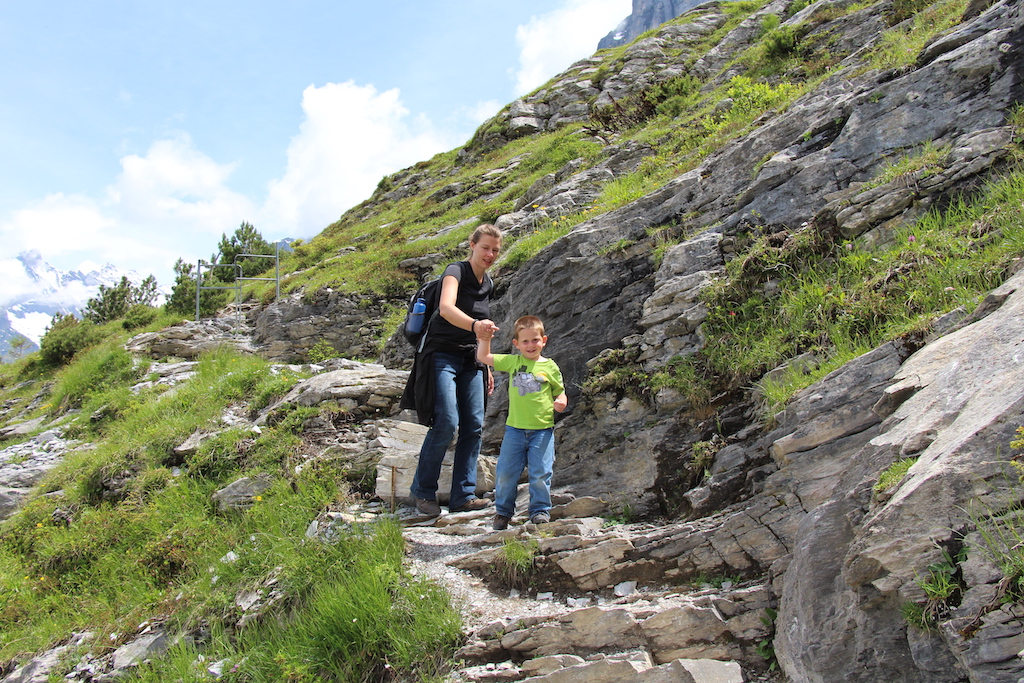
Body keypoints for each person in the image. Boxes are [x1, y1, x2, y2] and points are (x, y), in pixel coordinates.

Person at [406, 224, 502, 518]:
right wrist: (474, 325)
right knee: (446, 421)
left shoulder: (489, 284)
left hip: (470, 360)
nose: (490, 254)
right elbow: (447, 308)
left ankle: (463, 495)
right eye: (485, 247)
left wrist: (486, 365)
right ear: (471, 245)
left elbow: (482, 332)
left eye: (495, 250)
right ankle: (422, 492)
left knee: (473, 424)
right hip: (440, 355)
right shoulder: (455, 271)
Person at [476, 315, 567, 530]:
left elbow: (560, 392)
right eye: (525, 341)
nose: (531, 345)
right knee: (506, 473)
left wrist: (561, 401)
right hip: (515, 430)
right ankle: (503, 512)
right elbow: (484, 356)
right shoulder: (513, 362)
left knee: (540, 473)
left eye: (535, 340)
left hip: (542, 431)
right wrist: (486, 337)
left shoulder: (550, 367)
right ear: (516, 344)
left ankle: (539, 511)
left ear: (544, 340)